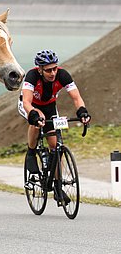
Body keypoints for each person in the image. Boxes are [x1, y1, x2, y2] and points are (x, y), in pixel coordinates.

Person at [18, 49, 91, 204]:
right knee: (38, 121)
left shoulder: (63, 75)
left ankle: (58, 187)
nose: (52, 73)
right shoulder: (32, 76)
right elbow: (26, 102)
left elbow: (77, 97)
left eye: (54, 68)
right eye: (48, 70)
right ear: (40, 69)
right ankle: (31, 153)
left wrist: (83, 112)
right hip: (30, 105)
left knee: (56, 146)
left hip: (50, 106)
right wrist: (34, 116)